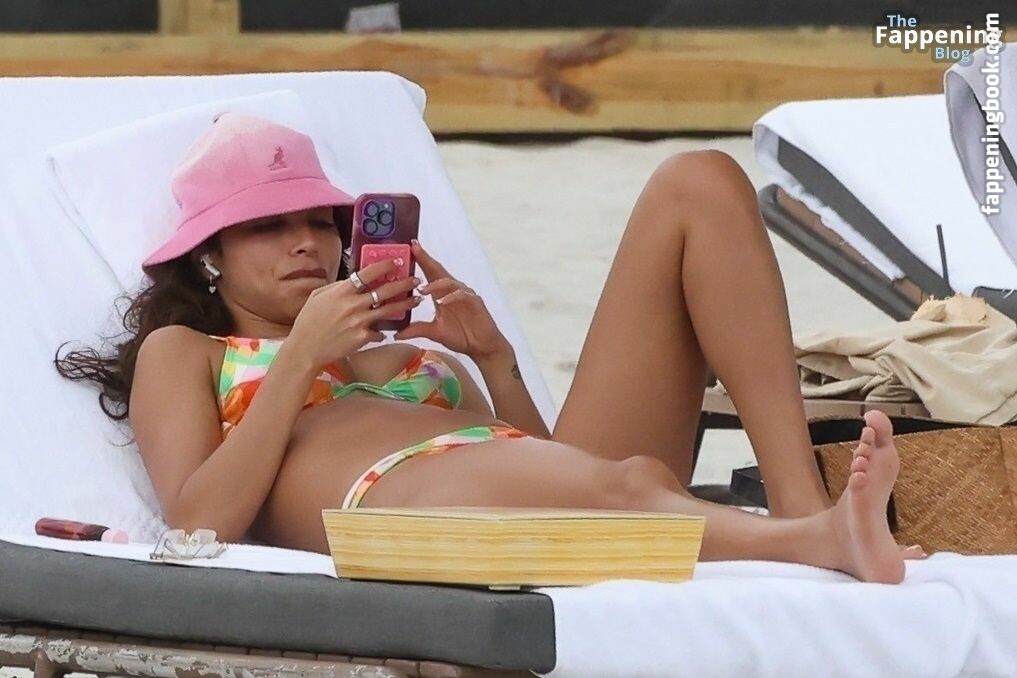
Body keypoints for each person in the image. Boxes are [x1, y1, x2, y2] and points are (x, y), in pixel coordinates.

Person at [55, 113, 927, 584]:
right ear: (208, 254)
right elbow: (198, 526)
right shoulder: (190, 351)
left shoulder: (403, 349)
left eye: (319, 221)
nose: (306, 243)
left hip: (503, 479)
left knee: (698, 181)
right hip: (388, 501)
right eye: (267, 227)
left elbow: (541, 458)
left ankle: (800, 505)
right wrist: (298, 358)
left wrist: (494, 360)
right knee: (626, 486)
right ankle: (813, 543)